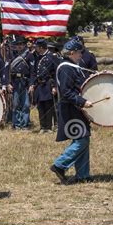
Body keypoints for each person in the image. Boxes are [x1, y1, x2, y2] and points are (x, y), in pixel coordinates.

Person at [51, 39, 93, 184]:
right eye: (79, 52)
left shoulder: (73, 66)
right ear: (72, 52)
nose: (81, 54)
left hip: (75, 108)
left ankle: (83, 175)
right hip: (70, 108)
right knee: (82, 139)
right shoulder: (66, 68)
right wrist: (83, 102)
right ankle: (59, 165)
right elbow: (66, 92)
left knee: (82, 138)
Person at [29, 39, 60, 133]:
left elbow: (56, 73)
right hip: (39, 85)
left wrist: (55, 86)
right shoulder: (37, 57)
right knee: (40, 106)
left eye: (37, 47)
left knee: (48, 106)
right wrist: (32, 84)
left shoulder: (52, 57)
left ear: (41, 47)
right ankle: (43, 127)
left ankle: (49, 127)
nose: (35, 49)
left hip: (48, 84)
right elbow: (34, 72)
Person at [8, 36, 34, 130]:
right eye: (18, 44)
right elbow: (7, 70)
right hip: (15, 82)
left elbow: (32, 71)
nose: (19, 46)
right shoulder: (12, 55)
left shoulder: (29, 55)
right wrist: (8, 83)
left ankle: (25, 124)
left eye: (21, 44)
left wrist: (31, 84)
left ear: (24, 45)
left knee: (26, 105)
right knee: (15, 104)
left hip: (25, 82)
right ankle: (17, 124)